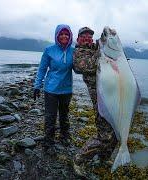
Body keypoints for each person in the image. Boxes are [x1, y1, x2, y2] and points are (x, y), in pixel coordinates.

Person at [72, 27, 118, 175]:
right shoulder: (79, 53)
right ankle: (79, 159)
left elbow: (111, 49)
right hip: (100, 102)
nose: (87, 38)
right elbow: (88, 66)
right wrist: (102, 48)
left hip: (112, 97)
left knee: (116, 132)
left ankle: (104, 158)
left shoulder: (97, 47)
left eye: (89, 36)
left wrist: (110, 36)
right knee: (104, 135)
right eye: (83, 36)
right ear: (78, 39)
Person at [33, 24, 74, 155]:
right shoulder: (49, 50)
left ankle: (64, 135)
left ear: (70, 36)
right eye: (61, 34)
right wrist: (37, 85)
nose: (64, 36)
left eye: (66, 34)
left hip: (66, 89)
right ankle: (48, 142)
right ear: (57, 35)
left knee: (64, 114)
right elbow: (42, 69)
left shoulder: (74, 51)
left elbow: (79, 68)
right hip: (51, 89)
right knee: (50, 116)